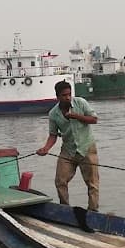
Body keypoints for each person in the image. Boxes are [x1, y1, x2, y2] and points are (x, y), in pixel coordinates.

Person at [36, 81, 99, 223]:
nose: (68, 97)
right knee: (60, 181)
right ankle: (65, 210)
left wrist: (76, 116)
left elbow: (94, 119)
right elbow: (53, 135)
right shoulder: (53, 114)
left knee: (92, 183)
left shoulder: (80, 103)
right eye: (64, 95)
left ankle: (93, 212)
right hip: (68, 150)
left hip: (87, 148)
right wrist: (46, 148)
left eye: (69, 94)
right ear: (57, 96)